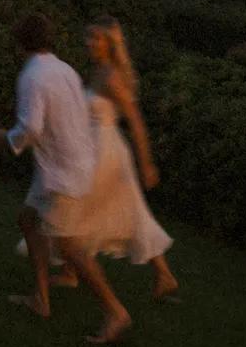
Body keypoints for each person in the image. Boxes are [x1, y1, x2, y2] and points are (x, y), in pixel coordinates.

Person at [0, 12, 131, 345]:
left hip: (63, 175)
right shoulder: (64, 69)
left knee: (71, 247)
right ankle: (41, 299)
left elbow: (32, 128)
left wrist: (4, 139)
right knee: (28, 220)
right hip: (66, 167)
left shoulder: (32, 76)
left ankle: (115, 312)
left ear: (20, 42)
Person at [62, 17, 178, 302]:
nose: (90, 43)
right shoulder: (98, 70)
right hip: (91, 147)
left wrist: (146, 163)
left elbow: (136, 121)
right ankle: (73, 269)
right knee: (122, 210)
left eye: (96, 39)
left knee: (81, 205)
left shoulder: (112, 76)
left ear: (110, 44)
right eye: (88, 38)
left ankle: (73, 268)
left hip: (107, 151)